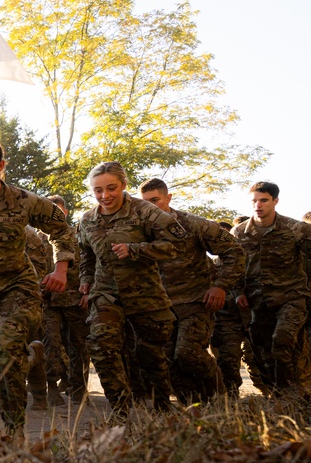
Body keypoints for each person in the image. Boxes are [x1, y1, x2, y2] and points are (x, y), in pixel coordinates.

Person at [0, 139, 76, 439]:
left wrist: (61, 268)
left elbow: (62, 230)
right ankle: (32, 358)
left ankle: (14, 432)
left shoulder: (24, 200)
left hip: (18, 286)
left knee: (5, 350)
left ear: (0, 166)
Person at [78, 162, 187, 420]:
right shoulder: (87, 220)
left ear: (124, 185)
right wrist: (85, 280)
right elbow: (85, 253)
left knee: (151, 354)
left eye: (111, 188)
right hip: (106, 294)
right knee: (101, 344)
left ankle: (162, 403)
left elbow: (178, 242)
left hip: (145, 294)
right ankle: (120, 411)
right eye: (98, 190)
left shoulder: (145, 212)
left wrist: (136, 249)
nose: (105, 196)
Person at [139, 178, 244, 403]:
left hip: (196, 303)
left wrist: (220, 286)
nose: (151, 207)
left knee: (187, 353)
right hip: (160, 307)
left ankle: (220, 396)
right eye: (146, 203)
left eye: (155, 200)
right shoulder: (140, 230)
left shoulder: (194, 225)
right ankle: (195, 408)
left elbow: (235, 251)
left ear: (168, 198)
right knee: (168, 362)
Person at [230, 182, 311, 397]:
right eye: (254, 201)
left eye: (263, 200)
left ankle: (290, 394)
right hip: (258, 302)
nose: (258, 205)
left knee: (282, 340)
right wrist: (238, 292)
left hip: (292, 297)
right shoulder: (239, 232)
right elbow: (233, 265)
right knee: (261, 351)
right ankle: (277, 393)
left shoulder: (296, 229)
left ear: (275, 201)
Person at [41, 195, 90, 402]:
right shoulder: (34, 239)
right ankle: (52, 386)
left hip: (75, 299)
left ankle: (79, 388)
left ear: (66, 213)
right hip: (47, 301)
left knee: (79, 345)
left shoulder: (78, 236)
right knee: (50, 342)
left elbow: (90, 263)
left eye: (58, 211)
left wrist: (89, 291)